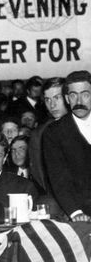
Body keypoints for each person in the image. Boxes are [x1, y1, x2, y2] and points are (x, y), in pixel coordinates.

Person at [42, 70, 91, 221]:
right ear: (67, 99)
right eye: (73, 95)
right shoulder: (54, 133)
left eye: (85, 94)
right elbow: (59, 179)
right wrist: (75, 212)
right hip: (78, 212)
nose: (79, 101)